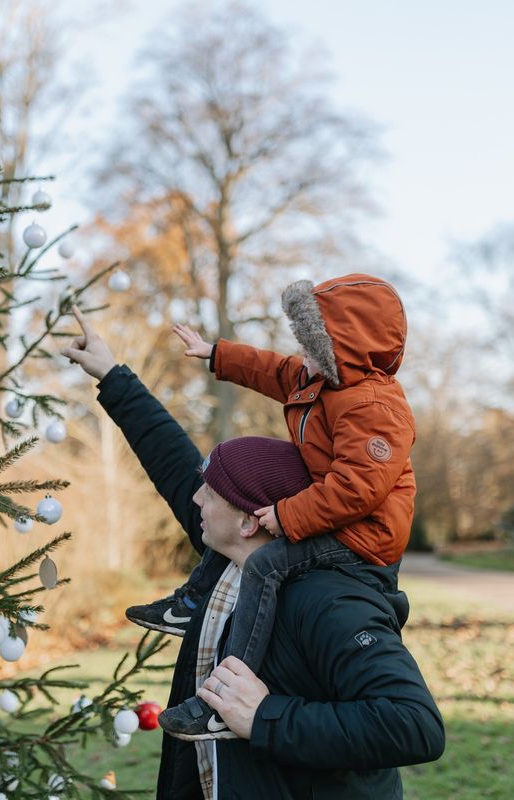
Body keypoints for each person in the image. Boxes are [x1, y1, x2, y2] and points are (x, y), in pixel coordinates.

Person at [61, 308, 444, 800]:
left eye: (209, 492)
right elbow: (172, 458)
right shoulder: (225, 562)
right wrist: (113, 377)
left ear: (249, 519)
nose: (195, 498)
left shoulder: (327, 600)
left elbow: (414, 725)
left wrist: (266, 717)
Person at [124, 274, 417, 739]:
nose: (304, 354)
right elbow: (273, 370)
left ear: (349, 345)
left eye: (315, 342)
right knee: (228, 520)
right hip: (331, 513)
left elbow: (360, 488)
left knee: (262, 564)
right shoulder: (319, 380)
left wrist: (288, 516)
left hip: (363, 535)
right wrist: (217, 354)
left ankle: (223, 699)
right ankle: (192, 601)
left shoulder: (373, 406)